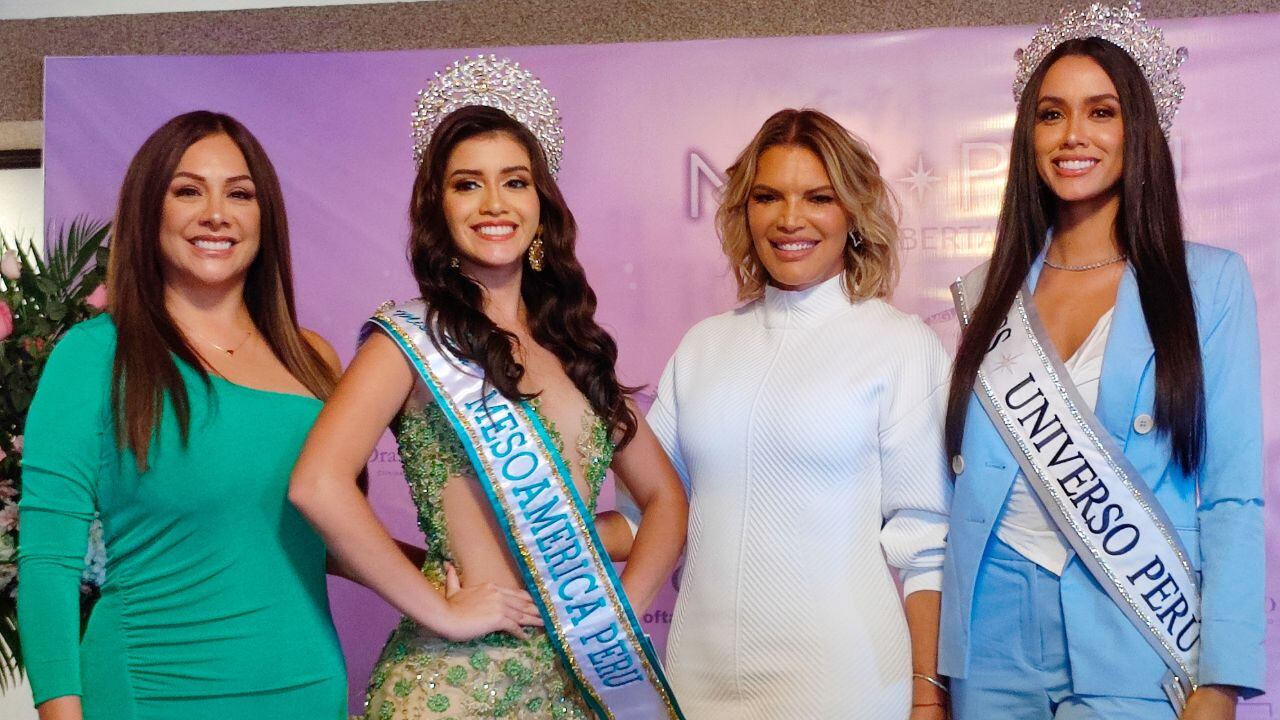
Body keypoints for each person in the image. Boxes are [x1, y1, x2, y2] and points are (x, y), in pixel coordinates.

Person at [287, 57, 688, 720]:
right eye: (468, 184)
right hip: (453, 689)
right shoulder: (408, 340)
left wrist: (618, 613)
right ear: (438, 208)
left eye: (515, 183)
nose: (495, 204)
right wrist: (435, 607)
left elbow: (665, 499)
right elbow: (316, 484)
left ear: (541, 205)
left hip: (572, 682)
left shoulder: (574, 346)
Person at [939, 6, 1264, 720]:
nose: (1073, 135)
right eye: (1051, 114)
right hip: (991, 639)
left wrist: (1223, 680)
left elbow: (1235, 495)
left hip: (1135, 629)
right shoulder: (986, 296)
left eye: (1102, 112)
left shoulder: (1207, 284)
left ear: (1137, 131)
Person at [613, 107, 953, 719]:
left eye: (817, 197)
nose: (790, 219)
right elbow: (646, 522)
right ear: (745, 211)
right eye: (768, 197)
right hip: (696, 683)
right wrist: (509, 549)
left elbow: (927, 546)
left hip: (845, 684)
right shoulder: (703, 346)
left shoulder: (901, 344)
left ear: (852, 212)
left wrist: (927, 695)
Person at [17, 111, 347, 719]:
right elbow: (48, 563)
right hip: (155, 687)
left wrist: (443, 573)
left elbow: (332, 537)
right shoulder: (93, 356)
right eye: (188, 190)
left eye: (240, 194)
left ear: (264, 217)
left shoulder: (311, 359)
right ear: (150, 212)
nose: (216, 213)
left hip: (306, 683)